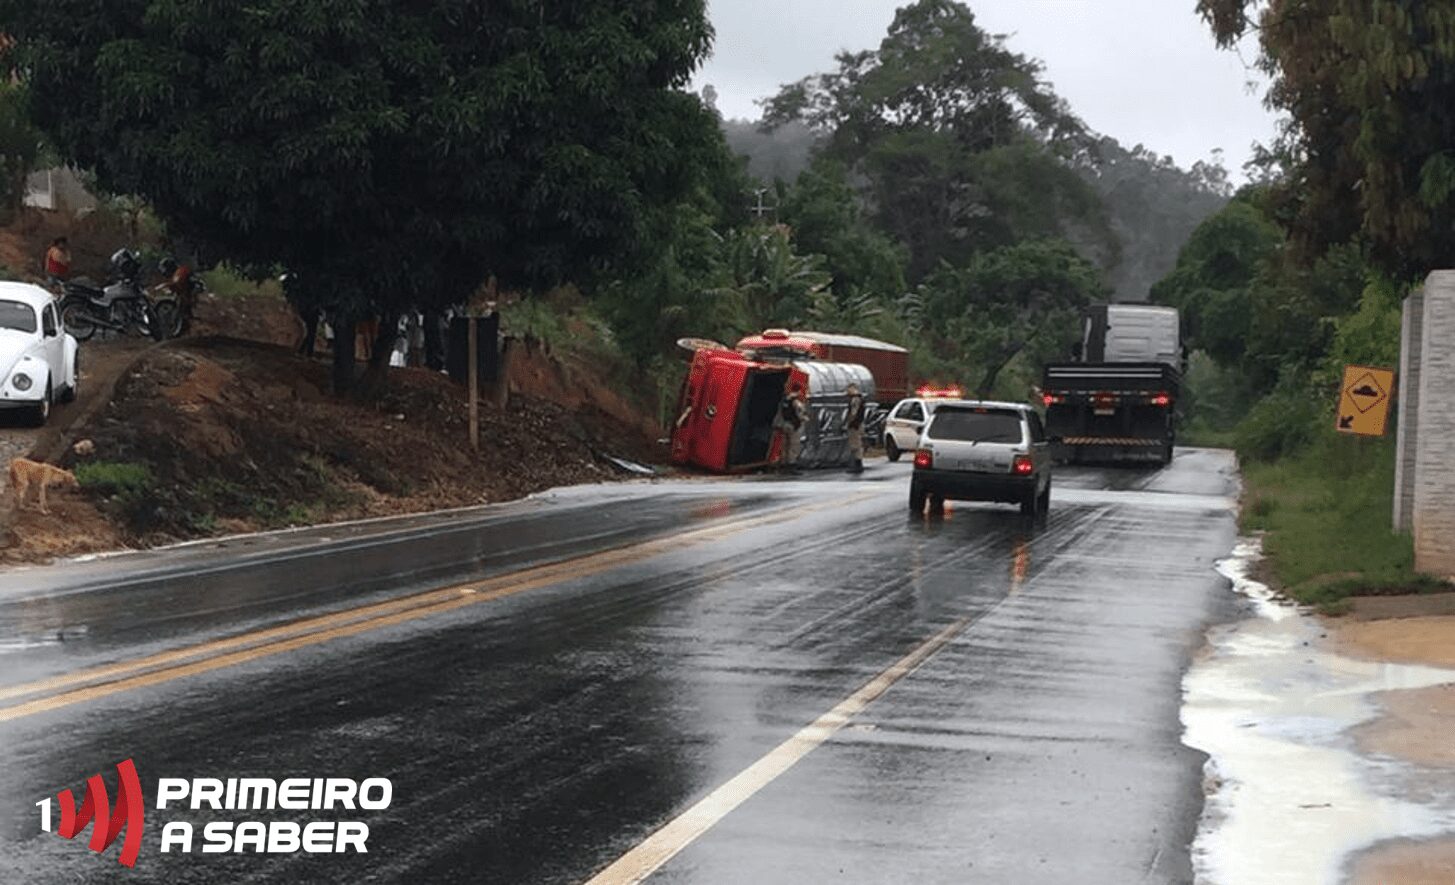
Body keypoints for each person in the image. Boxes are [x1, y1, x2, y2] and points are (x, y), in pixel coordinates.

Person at [776, 382, 808, 472]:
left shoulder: (785, 400)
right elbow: (800, 413)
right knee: (793, 445)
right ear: (799, 391)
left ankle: (783, 464)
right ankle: (791, 465)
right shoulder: (796, 401)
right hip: (794, 425)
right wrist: (804, 418)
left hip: (784, 424)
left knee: (785, 445)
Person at [845, 382, 865, 473]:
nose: (847, 392)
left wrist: (849, 422)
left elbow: (853, 413)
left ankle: (857, 464)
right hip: (858, 424)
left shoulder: (855, 400)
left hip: (855, 425)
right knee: (857, 443)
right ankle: (857, 463)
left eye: (848, 389)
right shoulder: (860, 399)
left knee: (855, 444)